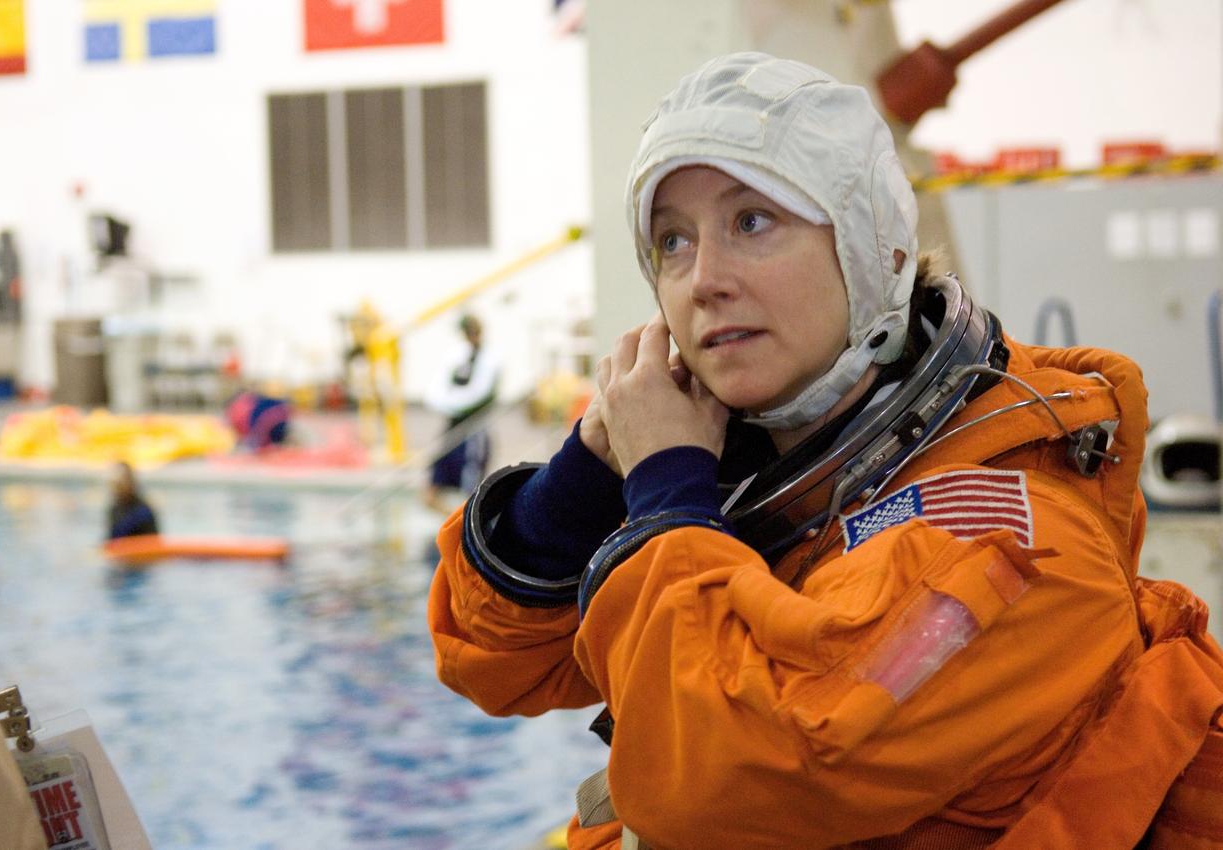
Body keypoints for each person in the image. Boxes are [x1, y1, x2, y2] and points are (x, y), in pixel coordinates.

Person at [427, 53, 1223, 849]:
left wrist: (667, 493)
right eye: (672, 240)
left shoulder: (1019, 546)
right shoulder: (778, 484)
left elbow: (722, 785)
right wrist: (588, 475)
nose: (702, 279)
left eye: (752, 222)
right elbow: (492, 663)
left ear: (876, 254)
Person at [423, 314, 499, 513]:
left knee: (470, 495)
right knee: (430, 493)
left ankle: (464, 527)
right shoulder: (458, 358)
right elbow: (439, 390)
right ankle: (456, 527)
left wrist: (453, 403)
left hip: (473, 431)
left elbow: (479, 395)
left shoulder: (488, 361)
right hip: (452, 428)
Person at [107, 461, 159, 539]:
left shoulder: (143, 510)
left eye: (122, 482)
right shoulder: (114, 509)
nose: (118, 487)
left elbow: (153, 540)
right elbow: (110, 538)